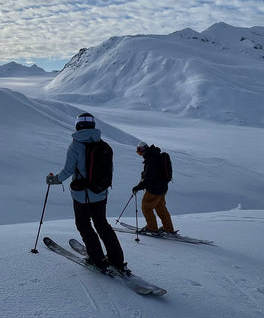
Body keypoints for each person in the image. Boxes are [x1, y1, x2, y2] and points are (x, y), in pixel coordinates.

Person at [46, 113, 129, 275]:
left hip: (82, 195)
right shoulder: (102, 144)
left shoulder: (75, 145)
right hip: (101, 193)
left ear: (78, 125)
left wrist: (54, 180)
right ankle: (117, 260)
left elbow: (68, 170)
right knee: (102, 225)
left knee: (84, 225)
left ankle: (97, 260)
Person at [131, 142, 177, 235]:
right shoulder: (156, 156)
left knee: (146, 207)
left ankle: (152, 228)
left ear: (143, 150)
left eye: (140, 152)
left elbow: (149, 178)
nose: (140, 154)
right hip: (163, 187)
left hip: (154, 189)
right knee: (161, 208)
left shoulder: (151, 160)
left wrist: (138, 187)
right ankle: (168, 228)